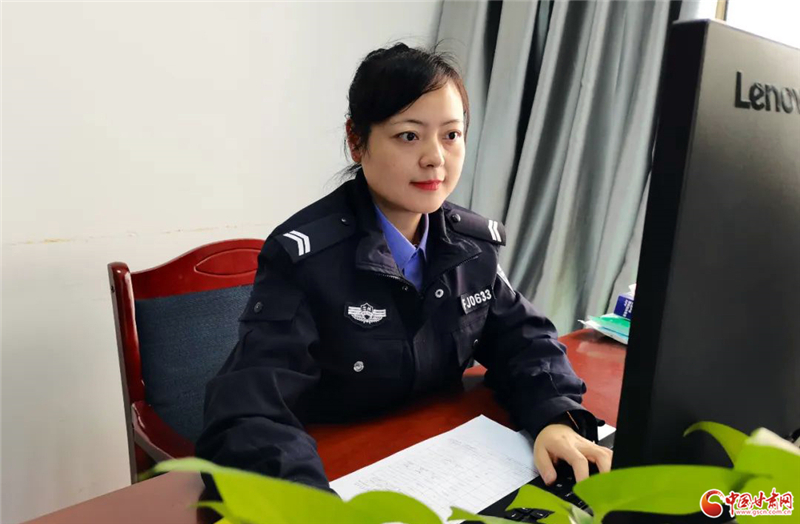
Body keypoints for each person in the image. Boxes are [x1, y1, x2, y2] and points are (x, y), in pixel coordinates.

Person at [196, 42, 613, 497]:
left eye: (451, 135)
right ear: (357, 141)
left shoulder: (471, 246)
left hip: (446, 458)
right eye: (409, 136)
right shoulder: (305, 259)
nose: (436, 157)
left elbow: (524, 341)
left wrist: (555, 416)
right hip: (338, 462)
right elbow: (251, 412)